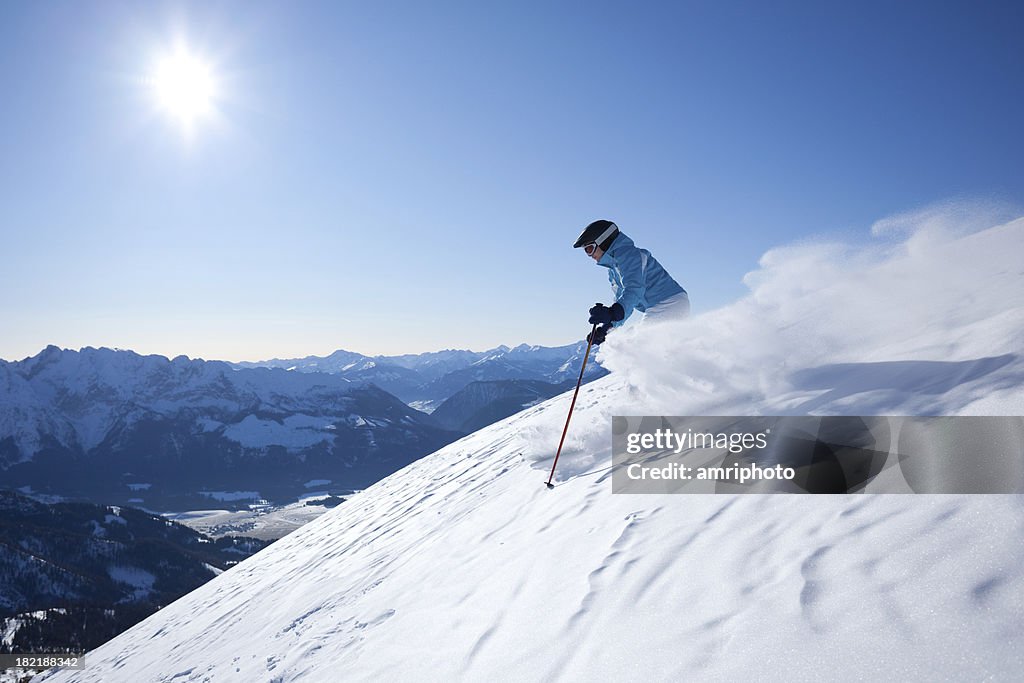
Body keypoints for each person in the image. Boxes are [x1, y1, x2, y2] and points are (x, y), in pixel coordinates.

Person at [573, 219, 689, 345]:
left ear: (603, 241)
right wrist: (606, 329)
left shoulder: (630, 255)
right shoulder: (614, 269)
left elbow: (634, 289)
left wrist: (612, 313)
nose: (589, 255)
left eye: (589, 249)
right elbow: (622, 300)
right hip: (661, 306)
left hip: (669, 303)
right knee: (639, 343)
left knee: (637, 344)